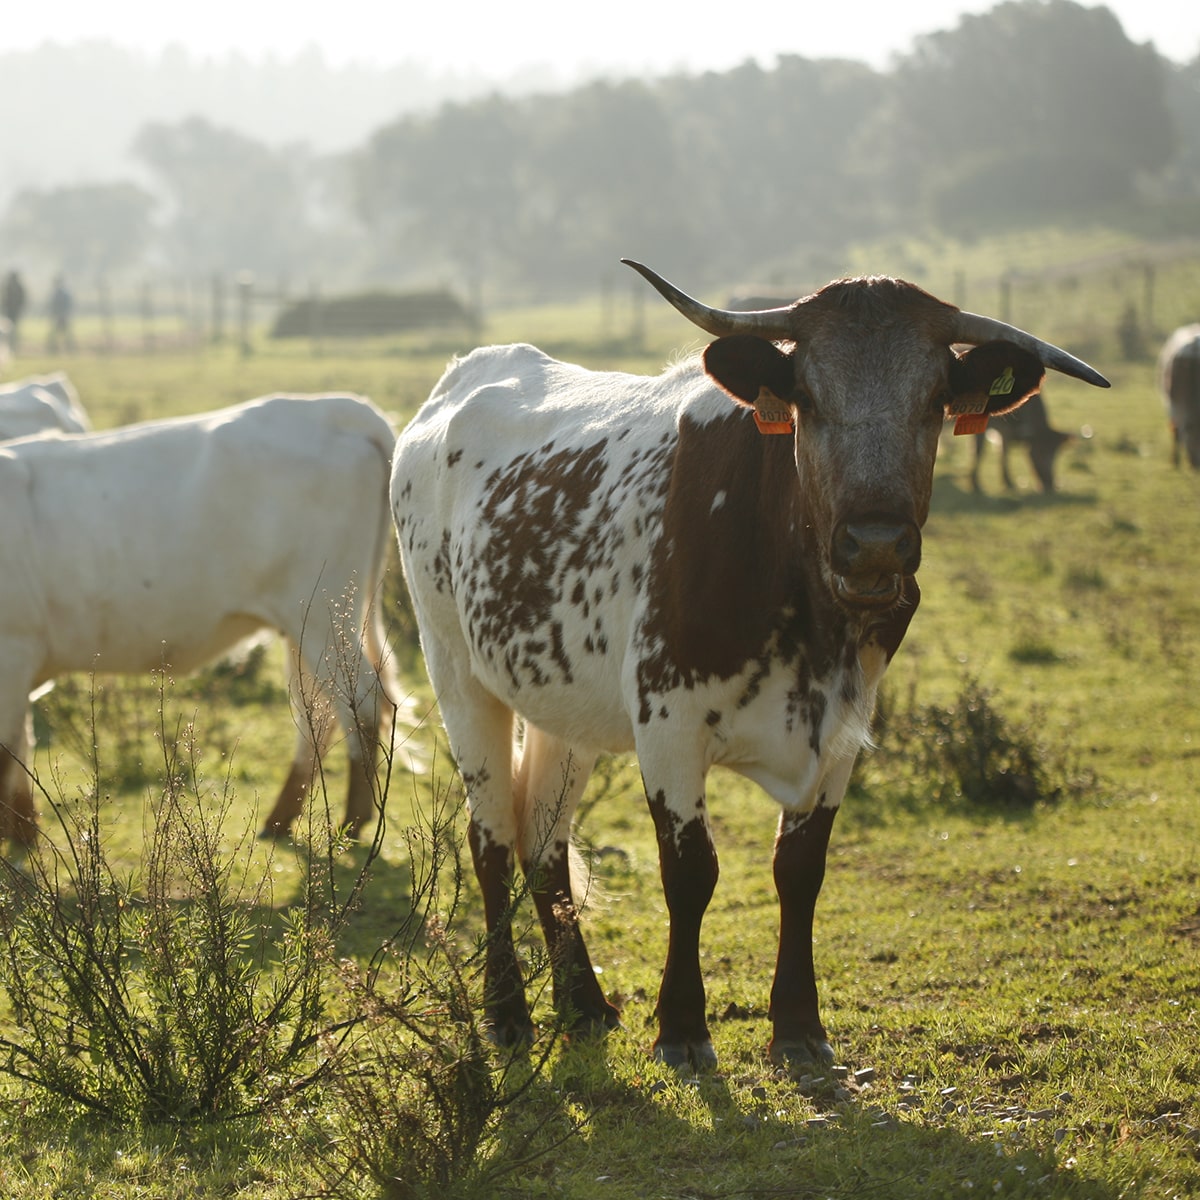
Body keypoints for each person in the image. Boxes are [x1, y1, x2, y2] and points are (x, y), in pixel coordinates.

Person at [47, 274, 75, 353]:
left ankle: (55, 348)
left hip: (61, 316)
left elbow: (54, 305)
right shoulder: (65, 293)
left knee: (61, 333)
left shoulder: (58, 293)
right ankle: (67, 348)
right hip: (62, 315)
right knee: (64, 333)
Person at [2, 270, 27, 351]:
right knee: (11, 329)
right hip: (11, 312)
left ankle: (12, 345)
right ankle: (11, 345)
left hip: (12, 312)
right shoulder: (11, 286)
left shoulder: (9, 286)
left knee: (11, 329)